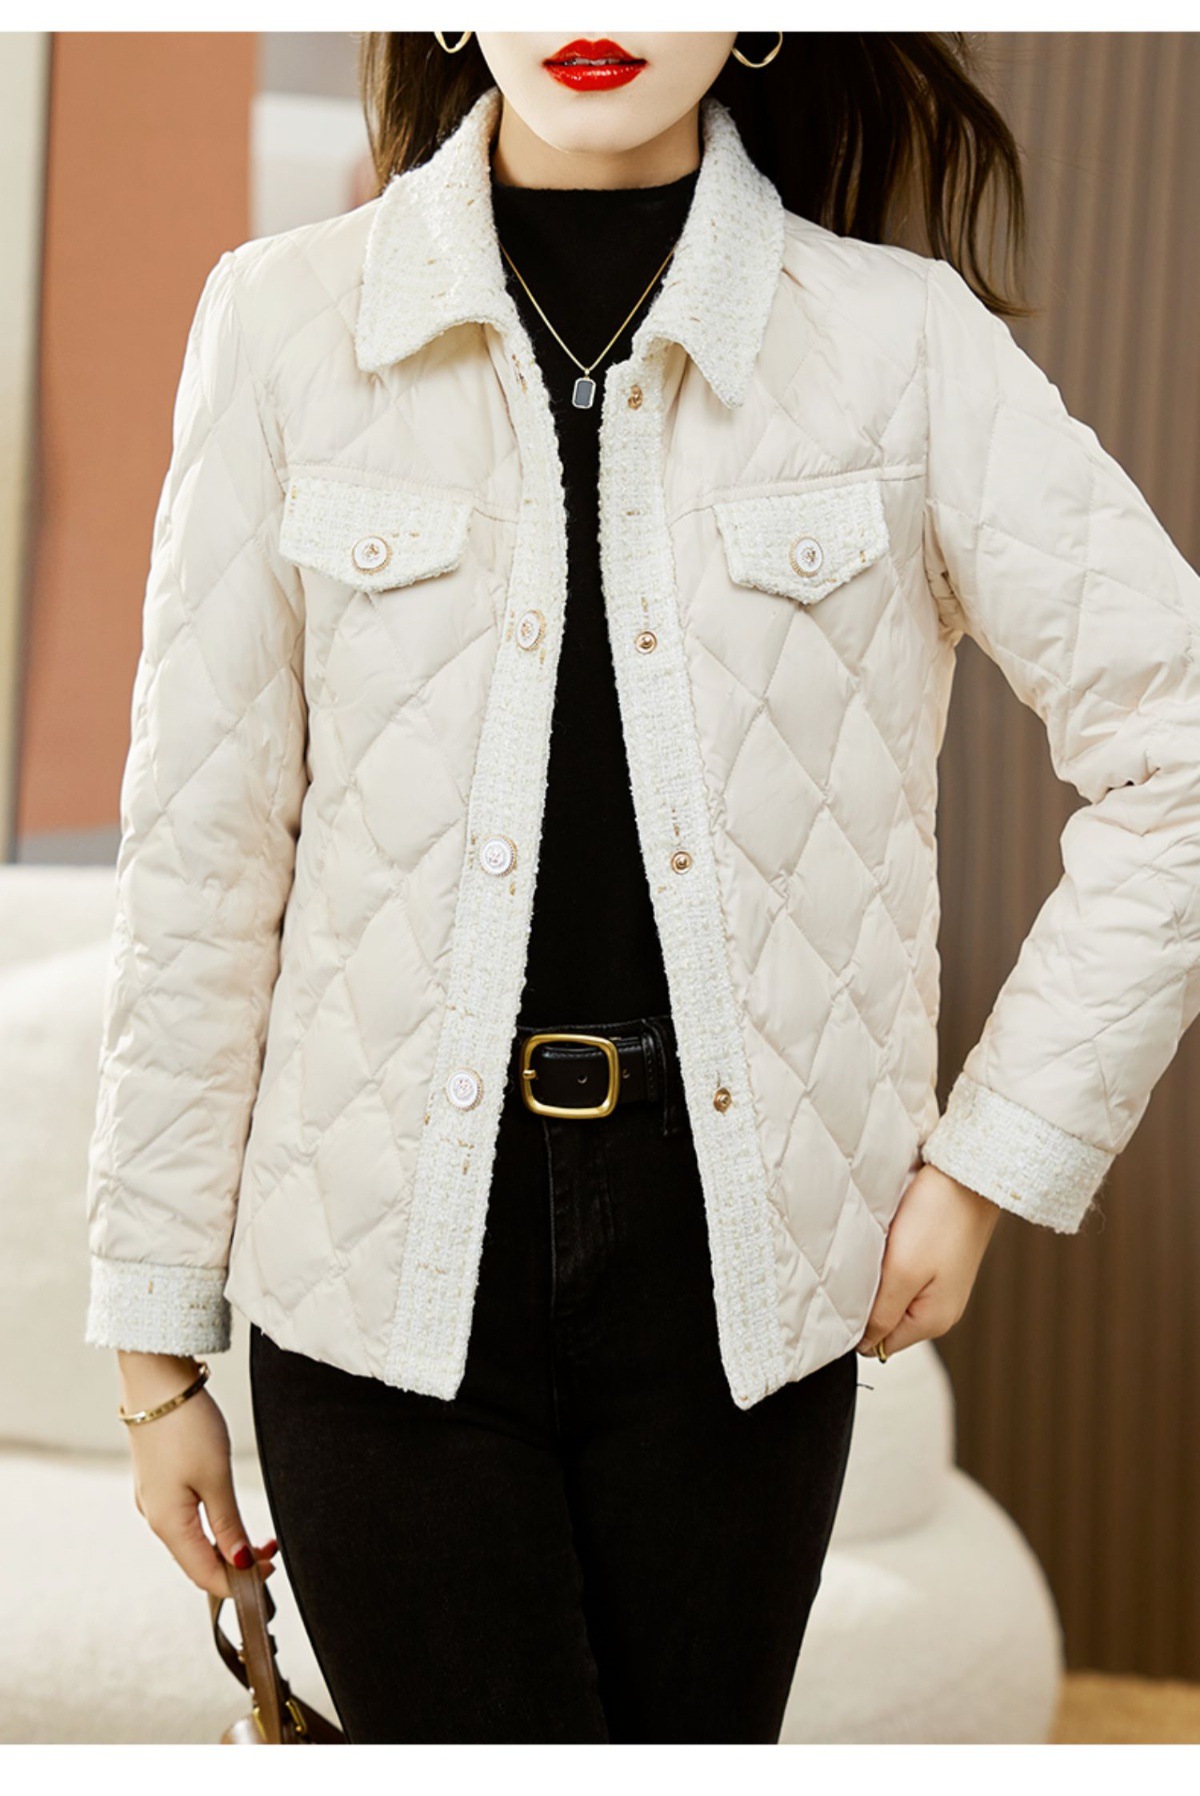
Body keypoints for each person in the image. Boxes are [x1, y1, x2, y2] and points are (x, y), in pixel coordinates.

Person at [84, 31, 1200, 1743]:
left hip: (735, 1297)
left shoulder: (900, 346)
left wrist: (991, 1166)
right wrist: (156, 1354)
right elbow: (201, 855)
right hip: (373, 1280)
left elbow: (1177, 750)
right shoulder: (283, 322)